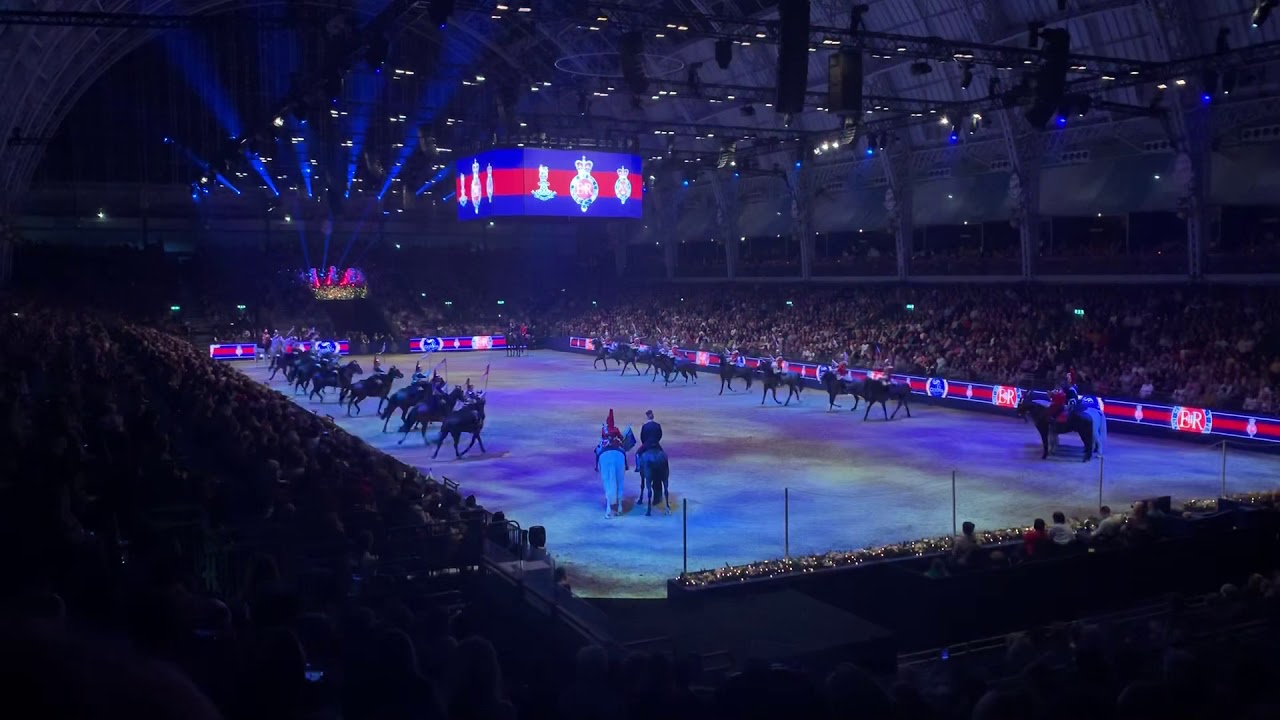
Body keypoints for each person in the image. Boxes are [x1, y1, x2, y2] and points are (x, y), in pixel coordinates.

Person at [595, 409, 628, 519]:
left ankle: (596, 465)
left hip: (606, 445)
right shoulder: (616, 429)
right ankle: (619, 507)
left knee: (597, 451)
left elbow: (602, 436)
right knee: (623, 452)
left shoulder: (604, 429)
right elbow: (621, 438)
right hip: (615, 444)